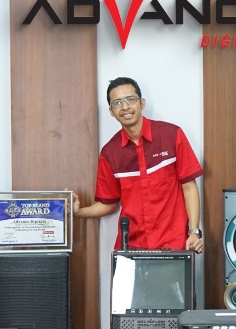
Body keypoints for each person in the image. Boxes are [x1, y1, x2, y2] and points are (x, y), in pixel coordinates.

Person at [73, 76, 204, 253]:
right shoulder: (110, 152)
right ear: (111, 111)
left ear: (142, 103)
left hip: (173, 243)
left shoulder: (171, 135)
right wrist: (79, 212)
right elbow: (108, 203)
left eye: (131, 99)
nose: (125, 107)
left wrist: (194, 232)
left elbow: (189, 187)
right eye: (117, 103)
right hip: (130, 246)